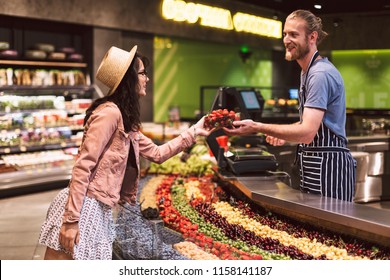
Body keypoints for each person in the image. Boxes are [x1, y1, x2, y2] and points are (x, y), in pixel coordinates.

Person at [38, 45, 211, 260]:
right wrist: (71, 219)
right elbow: (84, 165)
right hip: (83, 207)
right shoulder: (109, 114)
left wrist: (196, 130)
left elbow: (158, 154)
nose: (147, 78)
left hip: (98, 210)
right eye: (142, 73)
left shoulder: (125, 120)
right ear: (129, 79)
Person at [224, 10, 356, 202]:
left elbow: (307, 132)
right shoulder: (307, 72)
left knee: (331, 229)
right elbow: (313, 124)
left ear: (312, 37)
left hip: (330, 168)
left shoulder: (320, 74)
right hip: (315, 164)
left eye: (294, 34)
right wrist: (283, 134)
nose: (287, 40)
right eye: (285, 34)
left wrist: (257, 127)